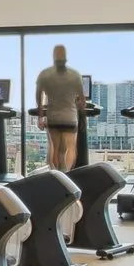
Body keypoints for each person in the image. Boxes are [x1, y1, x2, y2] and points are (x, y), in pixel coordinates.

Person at [35, 44, 87, 172]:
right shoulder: (75, 75)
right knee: (69, 147)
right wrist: (80, 110)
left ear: (53, 57)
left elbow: (38, 96)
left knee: (55, 148)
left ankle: (56, 173)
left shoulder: (45, 74)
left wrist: (41, 115)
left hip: (53, 117)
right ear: (66, 57)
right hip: (70, 117)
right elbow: (82, 99)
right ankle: (66, 173)